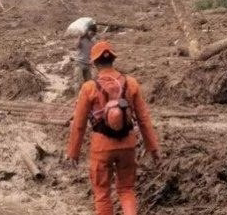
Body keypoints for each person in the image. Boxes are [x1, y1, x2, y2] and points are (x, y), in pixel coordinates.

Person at [67, 41, 160, 215]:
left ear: (94, 63)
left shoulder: (89, 88)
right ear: (113, 59)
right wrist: (153, 148)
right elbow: (144, 119)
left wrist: (73, 152)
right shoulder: (131, 83)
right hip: (127, 145)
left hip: (101, 147)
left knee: (102, 193)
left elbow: (79, 125)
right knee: (126, 189)